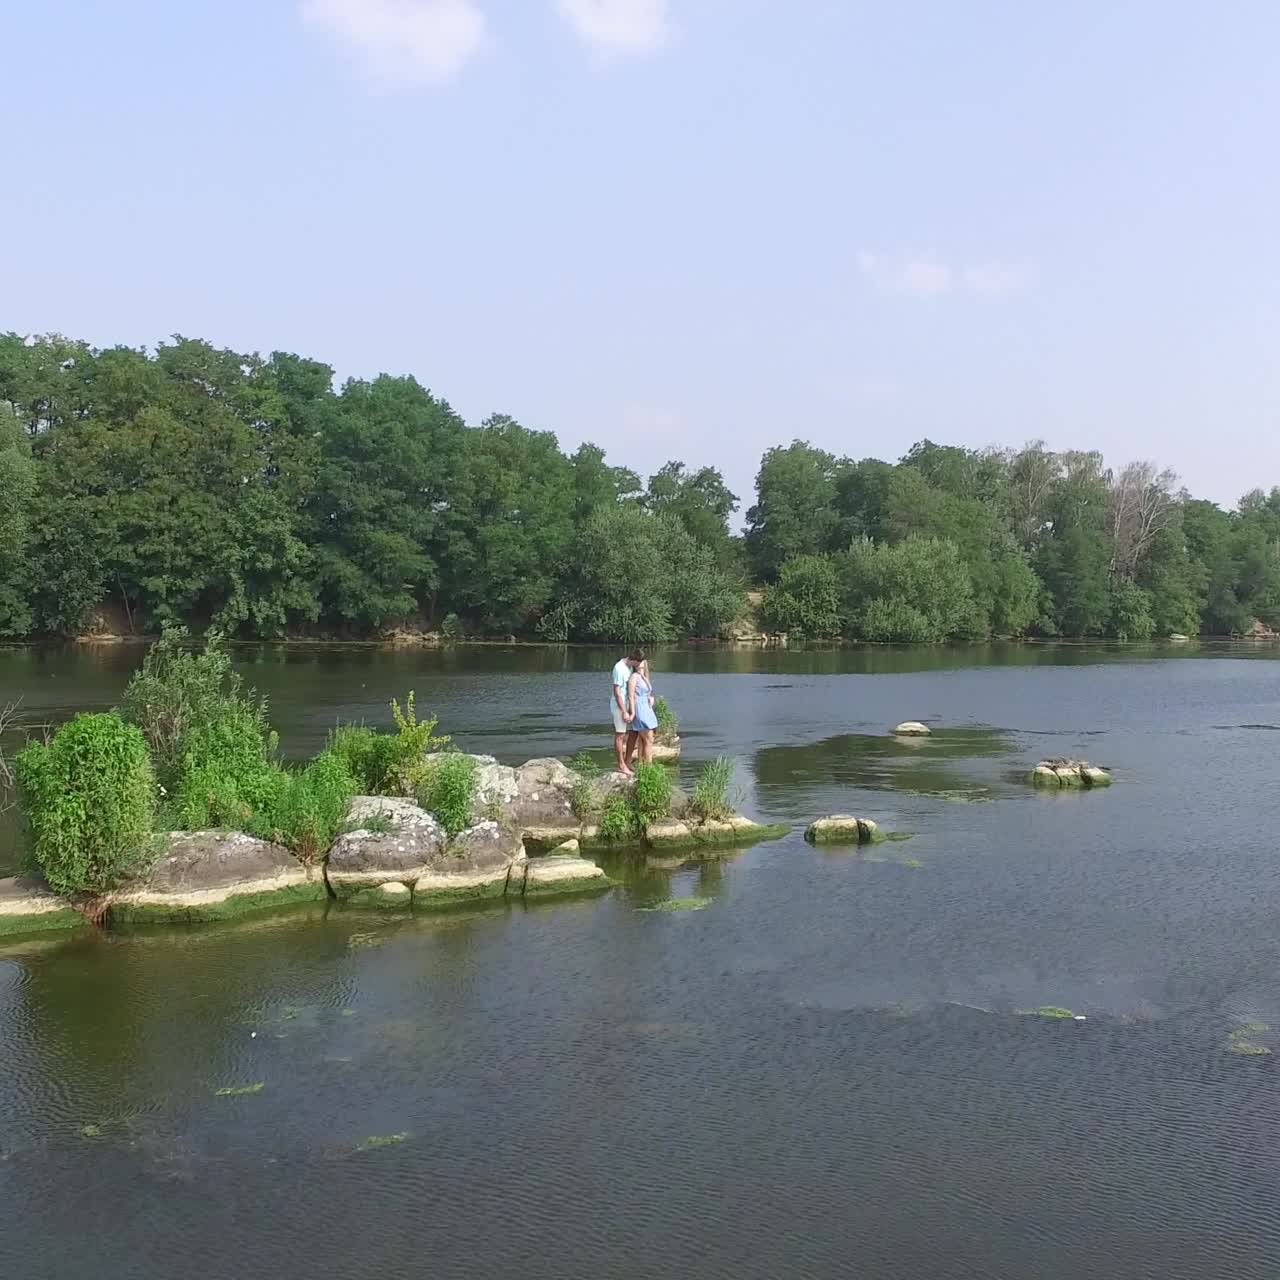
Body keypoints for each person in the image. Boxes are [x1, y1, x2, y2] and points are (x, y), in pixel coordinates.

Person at [611, 648, 644, 775]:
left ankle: (628, 761)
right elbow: (617, 692)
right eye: (638, 663)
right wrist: (624, 711)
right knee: (620, 735)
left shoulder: (630, 668)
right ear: (634, 660)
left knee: (634, 732)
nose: (639, 665)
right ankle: (621, 765)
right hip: (619, 706)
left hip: (629, 705)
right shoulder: (619, 668)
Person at [625, 656, 659, 766]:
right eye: (638, 662)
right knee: (648, 738)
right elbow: (630, 696)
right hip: (639, 708)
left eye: (641, 662)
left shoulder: (644, 677)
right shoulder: (634, 677)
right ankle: (649, 767)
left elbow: (647, 692)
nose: (640, 664)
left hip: (647, 708)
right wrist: (633, 712)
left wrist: (651, 698)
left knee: (646, 739)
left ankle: (643, 765)